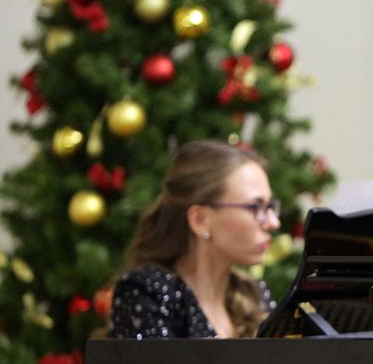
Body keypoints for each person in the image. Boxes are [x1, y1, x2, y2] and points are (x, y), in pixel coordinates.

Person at [110, 140, 279, 339]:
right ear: (200, 220)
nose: (273, 223)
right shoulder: (148, 292)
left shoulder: (254, 295)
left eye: (270, 207)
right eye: (255, 207)